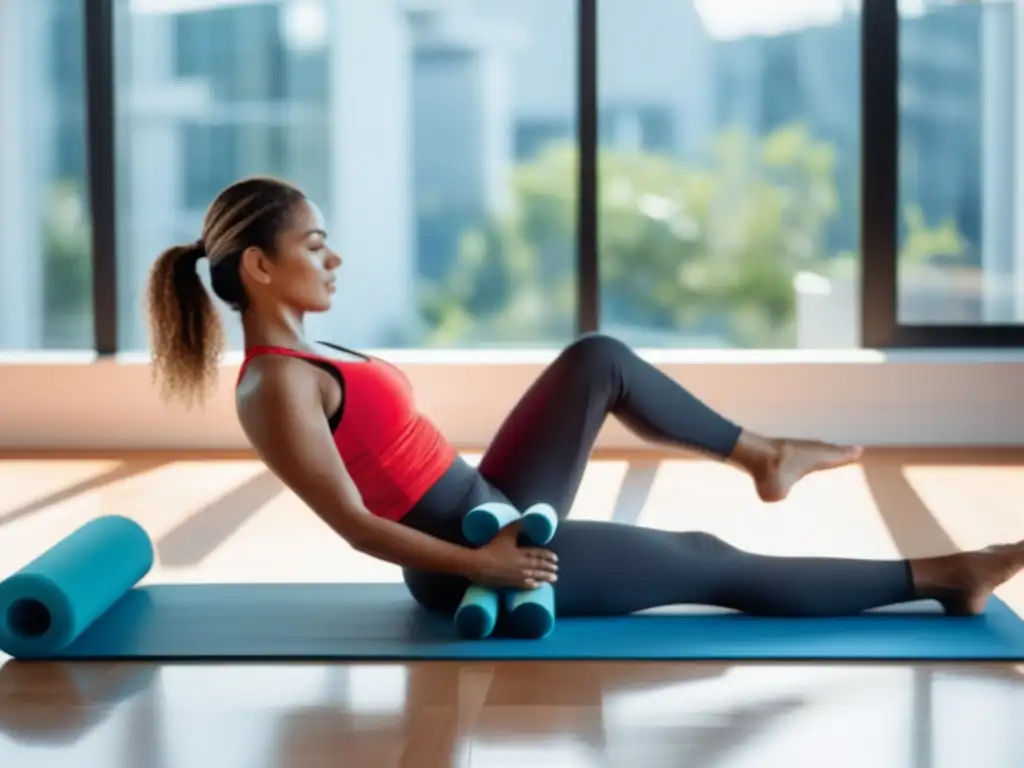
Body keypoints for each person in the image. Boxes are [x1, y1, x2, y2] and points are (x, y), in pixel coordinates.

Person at [146, 176, 1023, 620]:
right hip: (463, 555)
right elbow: (354, 522)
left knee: (596, 357)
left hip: (485, 503)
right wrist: (486, 567)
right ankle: (946, 577)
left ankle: (762, 453)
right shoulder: (271, 388)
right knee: (705, 556)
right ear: (260, 266)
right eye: (315, 245)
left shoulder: (315, 350)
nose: (332, 259)